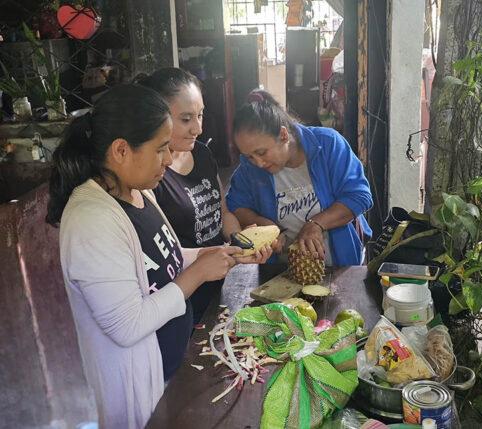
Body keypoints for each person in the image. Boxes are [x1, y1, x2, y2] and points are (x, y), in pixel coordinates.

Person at [46, 84, 271, 429]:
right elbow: (127, 325)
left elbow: (166, 259)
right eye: (160, 148)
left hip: (172, 367)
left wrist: (217, 254)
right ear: (121, 150)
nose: (168, 159)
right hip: (138, 388)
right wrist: (199, 273)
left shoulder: (137, 192)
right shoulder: (91, 219)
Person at [135, 68, 256, 324]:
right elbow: (166, 254)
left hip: (222, 285)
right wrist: (218, 257)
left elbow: (222, 212)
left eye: (200, 115)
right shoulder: (149, 175)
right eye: (186, 119)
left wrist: (241, 243)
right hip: (184, 296)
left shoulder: (202, 153)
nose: (198, 128)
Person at [226, 89, 372, 266]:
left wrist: (316, 224)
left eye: (262, 152)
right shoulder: (250, 168)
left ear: (283, 135)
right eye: (249, 156)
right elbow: (236, 205)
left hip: (340, 264)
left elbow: (359, 197)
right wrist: (264, 225)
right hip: (283, 270)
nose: (258, 163)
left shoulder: (328, 144)